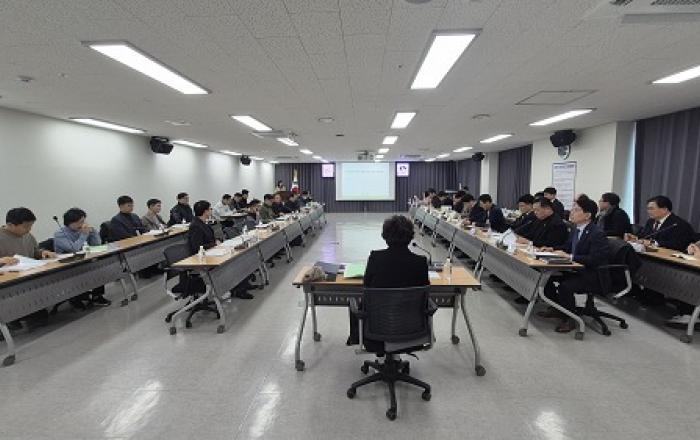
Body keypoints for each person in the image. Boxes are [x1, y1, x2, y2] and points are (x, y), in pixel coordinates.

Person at [347, 215, 429, 347]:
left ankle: (356, 338)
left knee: (354, 301)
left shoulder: (376, 258)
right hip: (411, 330)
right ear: (411, 236)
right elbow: (425, 293)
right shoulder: (420, 262)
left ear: (385, 236)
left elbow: (366, 286)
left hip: (376, 332)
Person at [541, 197, 610, 333]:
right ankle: (558, 308)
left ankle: (570, 319)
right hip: (576, 270)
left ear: (587, 215)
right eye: (572, 209)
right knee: (545, 277)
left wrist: (571, 257)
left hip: (592, 274)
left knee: (565, 287)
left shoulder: (597, 234)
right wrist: (553, 249)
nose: (571, 212)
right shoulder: (575, 229)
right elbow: (567, 247)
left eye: (576, 210)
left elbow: (595, 259)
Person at [0, 208, 56, 329]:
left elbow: (35, 251)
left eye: (31, 226)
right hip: (8, 283)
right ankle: (12, 317)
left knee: (41, 318)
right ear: (10, 225)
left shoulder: (27, 236)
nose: (29, 230)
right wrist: (1, 260)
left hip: (28, 277)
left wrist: (43, 253)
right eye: (26, 227)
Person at [188, 201, 254, 299]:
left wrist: (217, 241)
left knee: (239, 257)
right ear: (205, 211)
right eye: (210, 209)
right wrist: (214, 244)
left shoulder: (203, 222)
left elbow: (209, 238)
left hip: (212, 251)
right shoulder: (195, 226)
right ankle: (239, 289)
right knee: (233, 262)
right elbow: (197, 247)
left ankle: (244, 284)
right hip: (204, 257)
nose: (211, 210)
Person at [54, 208, 111, 307]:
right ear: (71, 223)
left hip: (82, 260)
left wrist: (93, 232)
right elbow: (74, 249)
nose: (83, 224)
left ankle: (97, 296)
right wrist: (84, 235)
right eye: (80, 222)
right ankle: (75, 297)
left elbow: (97, 245)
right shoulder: (60, 234)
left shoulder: (80, 229)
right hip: (67, 265)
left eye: (83, 221)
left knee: (98, 265)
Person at [625, 196, 695, 252]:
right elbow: (645, 235)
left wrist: (653, 243)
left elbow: (679, 244)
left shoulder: (679, 224)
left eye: (651, 209)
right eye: (648, 209)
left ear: (664, 209)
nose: (648, 211)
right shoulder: (650, 221)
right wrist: (635, 238)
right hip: (649, 254)